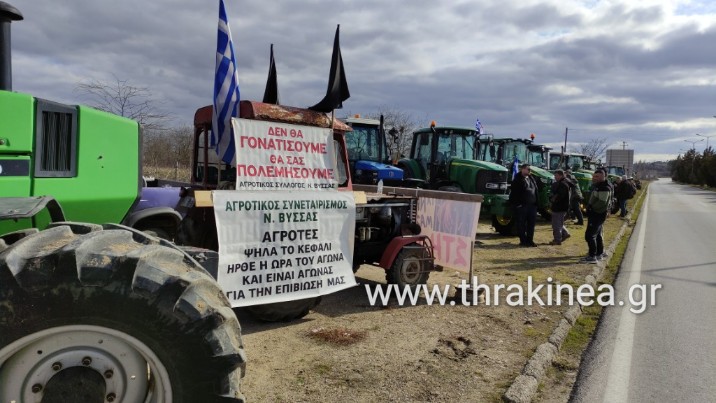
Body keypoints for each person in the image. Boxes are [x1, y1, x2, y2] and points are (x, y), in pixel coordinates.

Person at [580, 169, 612, 263]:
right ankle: (599, 253)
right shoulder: (598, 186)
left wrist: (591, 209)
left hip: (597, 214)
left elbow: (602, 202)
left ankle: (592, 256)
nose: (594, 178)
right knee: (597, 235)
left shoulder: (604, 187)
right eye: (594, 176)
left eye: (597, 176)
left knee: (590, 235)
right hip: (597, 214)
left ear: (603, 176)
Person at [509, 163, 542, 247]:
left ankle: (530, 241)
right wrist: (517, 205)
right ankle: (523, 241)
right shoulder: (517, 179)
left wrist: (536, 204)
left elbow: (536, 190)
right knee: (521, 224)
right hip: (522, 206)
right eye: (528, 169)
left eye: (530, 169)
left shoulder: (532, 178)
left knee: (531, 224)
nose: (529, 171)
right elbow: (514, 194)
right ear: (522, 169)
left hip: (532, 206)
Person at [549, 170, 571, 245]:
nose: (555, 177)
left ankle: (557, 240)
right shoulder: (566, 182)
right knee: (559, 223)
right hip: (562, 207)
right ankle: (565, 233)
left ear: (561, 175)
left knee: (556, 224)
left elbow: (559, 196)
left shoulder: (562, 184)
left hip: (559, 207)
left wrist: (552, 199)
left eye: (556, 175)